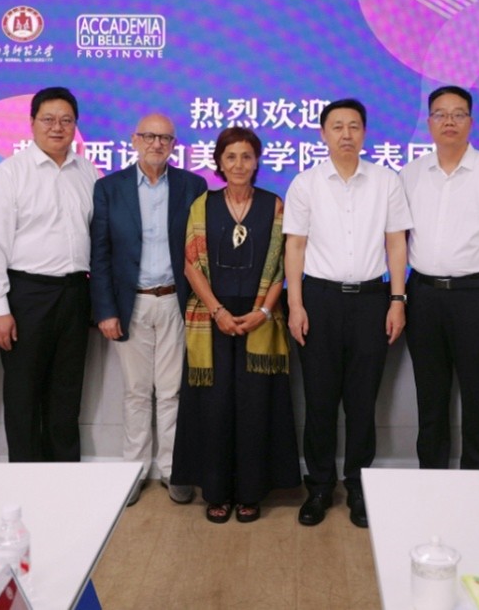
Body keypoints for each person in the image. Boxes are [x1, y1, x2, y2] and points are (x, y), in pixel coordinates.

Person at [284, 98, 412, 528]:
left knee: (362, 400)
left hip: (372, 301)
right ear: (323, 133)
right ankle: (320, 486)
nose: (345, 134)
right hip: (318, 300)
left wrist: (398, 300)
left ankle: (358, 485)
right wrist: (296, 304)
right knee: (319, 400)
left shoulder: (386, 181)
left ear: (364, 132)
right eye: (337, 126)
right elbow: (295, 247)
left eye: (354, 126)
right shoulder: (306, 183)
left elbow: (396, 243)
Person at [171, 127, 300, 523]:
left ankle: (250, 492)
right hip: (213, 318)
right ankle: (217, 492)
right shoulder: (202, 205)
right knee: (215, 408)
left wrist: (263, 312)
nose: (239, 164)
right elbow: (191, 265)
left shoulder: (274, 205)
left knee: (255, 407)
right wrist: (218, 312)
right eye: (231, 157)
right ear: (219, 163)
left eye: (246, 156)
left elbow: (282, 267)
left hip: (262, 319)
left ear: (257, 161)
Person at [91, 113, 206, 505]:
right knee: (137, 392)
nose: (157, 144)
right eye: (149, 136)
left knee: (173, 391)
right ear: (134, 140)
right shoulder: (109, 188)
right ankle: (135, 470)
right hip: (131, 303)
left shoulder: (192, 186)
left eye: (165, 138)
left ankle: (174, 469)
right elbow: (100, 254)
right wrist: (106, 310)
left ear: (174, 145)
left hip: (176, 301)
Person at [400, 85, 479, 470]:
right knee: (430, 395)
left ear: (471, 121)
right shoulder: (411, 174)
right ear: (429, 121)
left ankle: (477, 482)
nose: (449, 121)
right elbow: (398, 241)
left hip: (476, 296)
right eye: (440, 114)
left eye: (458, 114)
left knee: (478, 394)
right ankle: (432, 479)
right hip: (423, 295)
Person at [0, 87, 96, 462]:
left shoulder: (87, 172)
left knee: (67, 392)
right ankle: (25, 478)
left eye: (66, 120)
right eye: (48, 119)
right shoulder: (10, 173)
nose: (57, 127)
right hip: (27, 295)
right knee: (23, 394)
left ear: (75, 125)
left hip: (75, 293)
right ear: (31, 123)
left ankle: (64, 475)